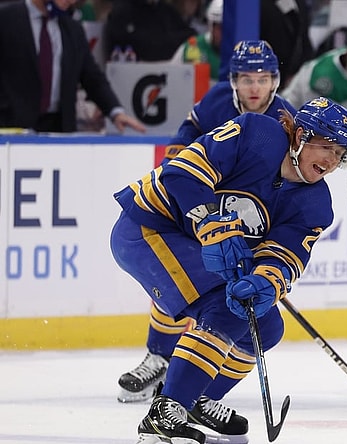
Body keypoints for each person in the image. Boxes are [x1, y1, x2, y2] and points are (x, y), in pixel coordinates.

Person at [111, 96, 347, 444]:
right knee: (224, 309)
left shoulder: (316, 204)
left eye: (340, 153)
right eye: (327, 146)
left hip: (191, 246)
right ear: (300, 135)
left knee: (267, 325)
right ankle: (166, 410)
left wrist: (265, 284)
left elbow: (283, 257)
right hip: (148, 228)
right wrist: (210, 223)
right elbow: (182, 171)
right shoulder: (258, 134)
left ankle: (199, 398)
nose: (332, 160)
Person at [116, 39, 297, 404]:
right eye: (247, 79)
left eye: (262, 79)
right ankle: (159, 358)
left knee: (222, 296)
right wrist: (179, 167)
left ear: (275, 81)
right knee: (173, 283)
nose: (255, 87)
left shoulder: (286, 119)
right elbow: (188, 132)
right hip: (200, 207)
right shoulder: (216, 101)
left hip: (244, 216)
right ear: (233, 81)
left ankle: (191, 377)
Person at [0, 0, 144, 133]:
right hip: (11, 128)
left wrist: (115, 112)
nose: (72, 1)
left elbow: (92, 77)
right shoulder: (6, 18)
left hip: (60, 129)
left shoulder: (73, 29)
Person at [103, 0, 196, 62]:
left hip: (170, 72)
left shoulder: (165, 10)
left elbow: (191, 35)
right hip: (131, 75)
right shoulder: (122, 12)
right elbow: (146, 48)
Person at [171, 0, 223, 83]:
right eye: (220, 28)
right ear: (211, 26)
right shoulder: (192, 47)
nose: (224, 34)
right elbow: (172, 79)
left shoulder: (243, 52)